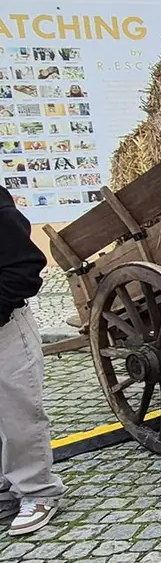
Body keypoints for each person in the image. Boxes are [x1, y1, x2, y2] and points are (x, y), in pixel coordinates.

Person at [0, 185, 65, 536]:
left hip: (4, 326)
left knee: (17, 413)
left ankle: (38, 492)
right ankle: (4, 490)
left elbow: (24, 267)